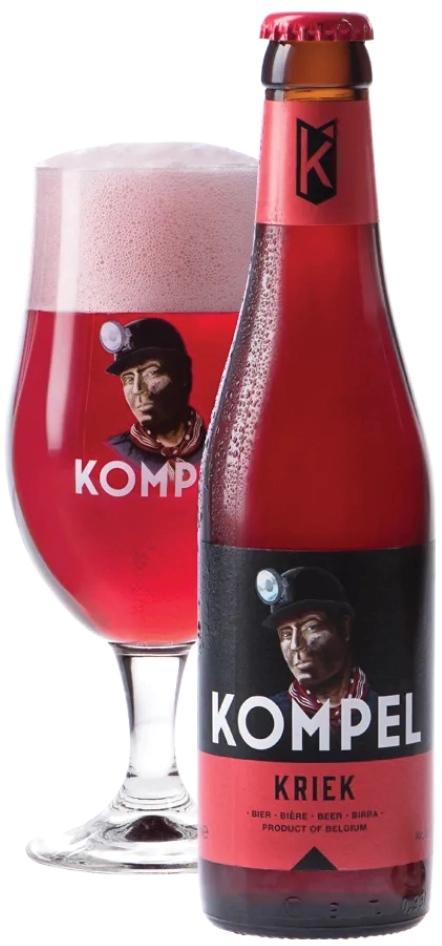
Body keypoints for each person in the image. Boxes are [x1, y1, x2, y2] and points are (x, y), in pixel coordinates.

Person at [256, 566, 377, 736]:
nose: (295, 645)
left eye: (310, 627)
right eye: (286, 634)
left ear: (344, 628)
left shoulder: (381, 708)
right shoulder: (269, 716)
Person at [100, 317, 206, 475]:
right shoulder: (112, 451)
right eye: (128, 379)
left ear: (182, 375)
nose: (137, 389)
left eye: (150, 373)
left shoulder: (220, 446)